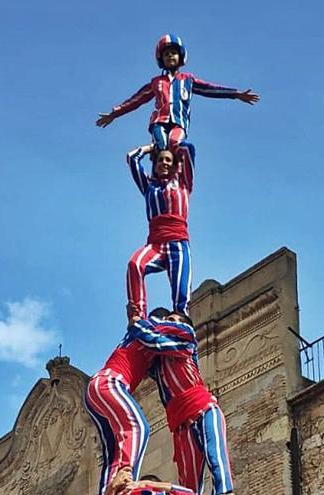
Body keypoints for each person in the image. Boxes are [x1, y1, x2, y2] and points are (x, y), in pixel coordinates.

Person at [85, 310, 198, 495]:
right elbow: (183, 331)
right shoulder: (152, 324)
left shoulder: (149, 348)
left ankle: (109, 489)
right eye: (169, 320)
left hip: (96, 391)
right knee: (137, 427)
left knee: (113, 450)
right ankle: (126, 474)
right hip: (109, 382)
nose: (173, 325)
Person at [96, 34, 259, 152]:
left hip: (179, 122)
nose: (170, 56)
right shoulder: (156, 82)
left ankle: (182, 175)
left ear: (180, 56)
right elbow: (136, 100)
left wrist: (235, 94)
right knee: (161, 145)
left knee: (175, 143)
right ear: (161, 60)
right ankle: (159, 177)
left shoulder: (188, 79)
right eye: (166, 54)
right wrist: (114, 113)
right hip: (159, 121)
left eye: (173, 53)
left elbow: (210, 88)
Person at [150, 312, 236, 495]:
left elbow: (148, 334)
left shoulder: (186, 340)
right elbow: (140, 346)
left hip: (204, 409)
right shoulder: (158, 364)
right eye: (169, 319)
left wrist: (147, 324)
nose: (173, 323)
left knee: (215, 458)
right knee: (189, 484)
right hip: (182, 427)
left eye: (176, 320)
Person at [125, 143, 194, 322]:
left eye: (168, 160)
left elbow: (188, 149)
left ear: (175, 164)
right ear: (154, 164)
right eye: (160, 160)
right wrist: (153, 146)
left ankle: (180, 322)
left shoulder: (183, 183)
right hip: (155, 243)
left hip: (177, 243)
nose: (164, 163)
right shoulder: (149, 187)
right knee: (135, 264)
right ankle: (138, 314)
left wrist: (171, 143)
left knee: (181, 297)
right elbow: (132, 157)